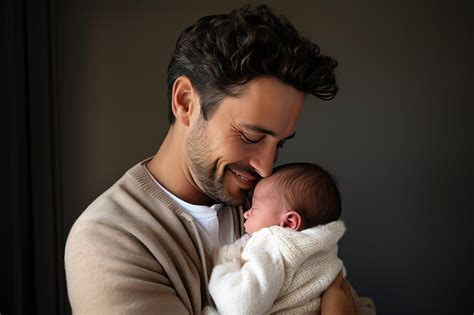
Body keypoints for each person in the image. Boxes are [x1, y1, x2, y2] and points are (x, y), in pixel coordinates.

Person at [65, 4, 373, 314]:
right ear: (185, 102)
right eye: (250, 137)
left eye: (279, 144)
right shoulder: (109, 239)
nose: (266, 168)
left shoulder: (273, 203)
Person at [205, 163, 347, 314]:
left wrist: (225, 262)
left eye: (254, 208)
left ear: (288, 222)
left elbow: (238, 307)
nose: (246, 213)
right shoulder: (325, 250)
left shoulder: (276, 244)